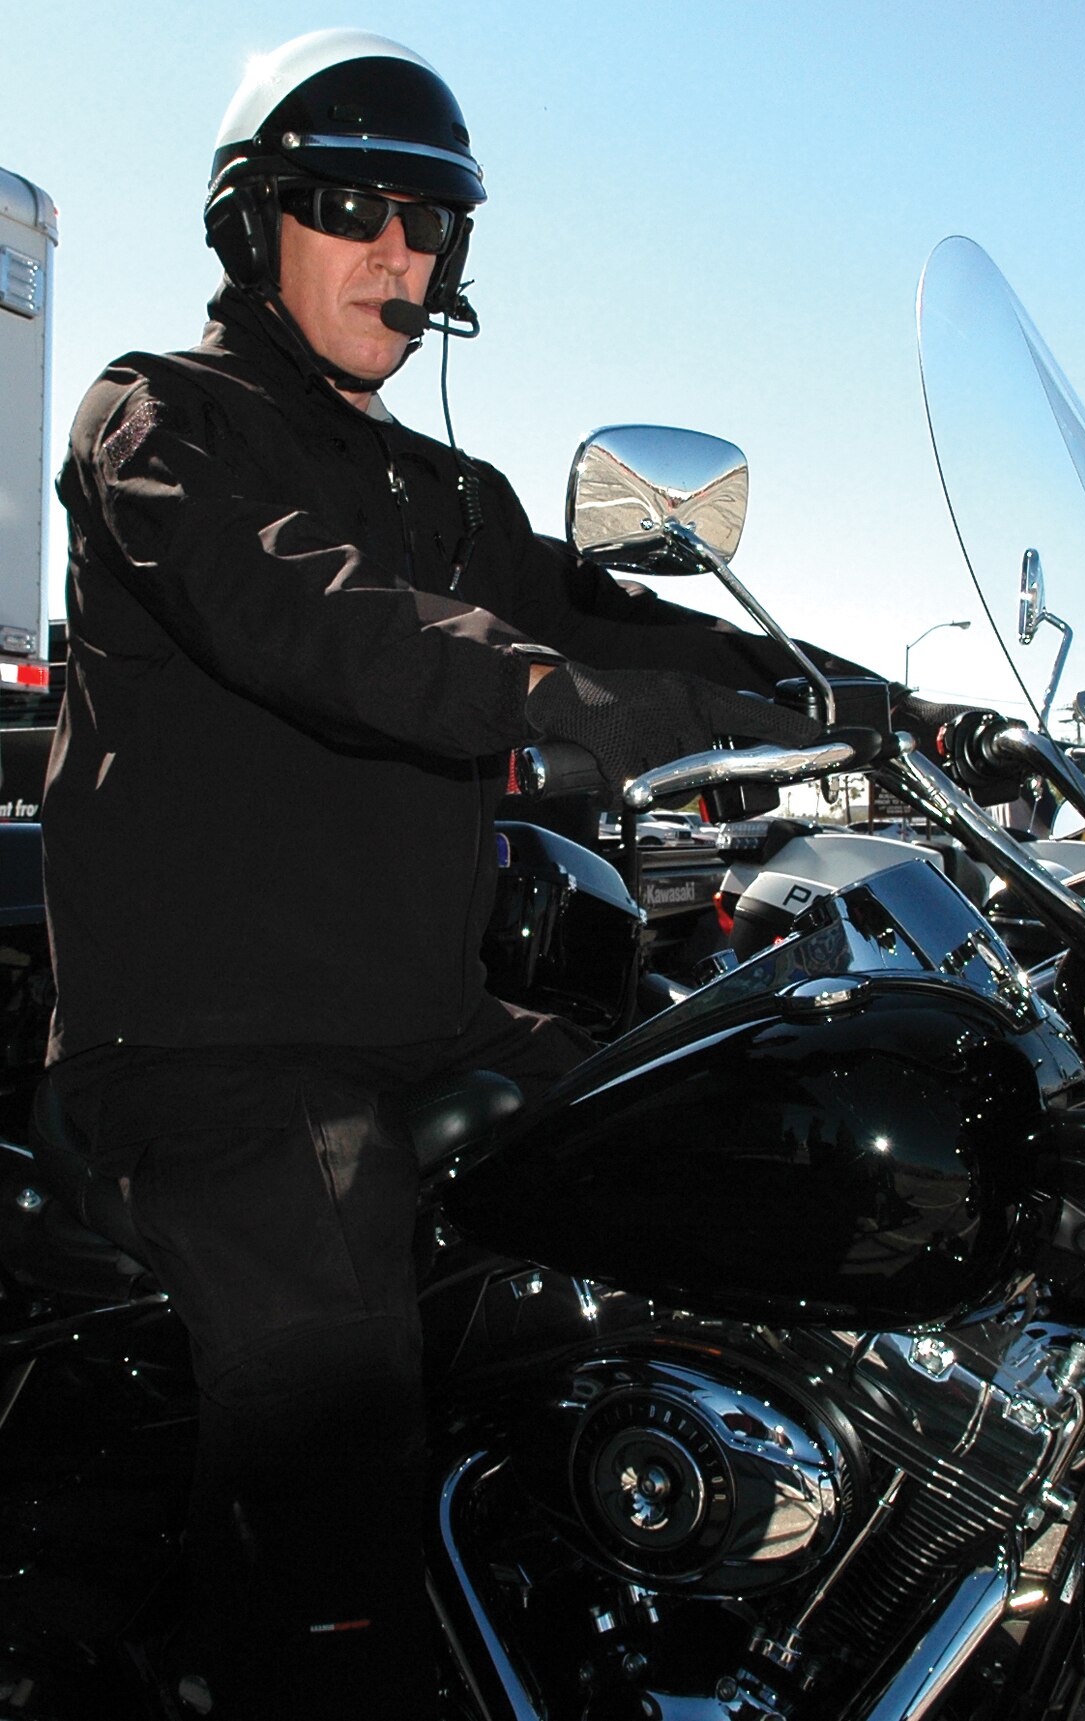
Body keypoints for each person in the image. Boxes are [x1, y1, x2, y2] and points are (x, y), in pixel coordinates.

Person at [40, 29, 852, 1718]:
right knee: (329, 1404)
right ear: (254, 226)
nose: (396, 255)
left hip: (425, 1024)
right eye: (351, 209)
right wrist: (555, 702)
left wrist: (879, 703)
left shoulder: (447, 490)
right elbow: (315, 612)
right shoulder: (157, 420)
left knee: (735, 1153)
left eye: (428, 224)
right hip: (213, 1054)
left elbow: (612, 610)